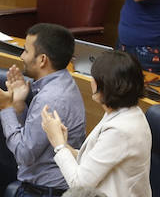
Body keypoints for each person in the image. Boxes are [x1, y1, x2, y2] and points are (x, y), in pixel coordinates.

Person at [0, 23, 86, 196]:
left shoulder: (51, 97)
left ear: (42, 60)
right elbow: (35, 136)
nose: (22, 56)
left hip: (44, 192)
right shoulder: (62, 82)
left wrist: (6, 108)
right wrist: (18, 104)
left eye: (25, 50)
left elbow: (24, 153)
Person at [42, 51, 152, 197]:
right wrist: (64, 144)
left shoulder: (121, 130)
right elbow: (93, 162)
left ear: (106, 85)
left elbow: (79, 185)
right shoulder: (123, 112)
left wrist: (59, 146)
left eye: (94, 77)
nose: (90, 80)